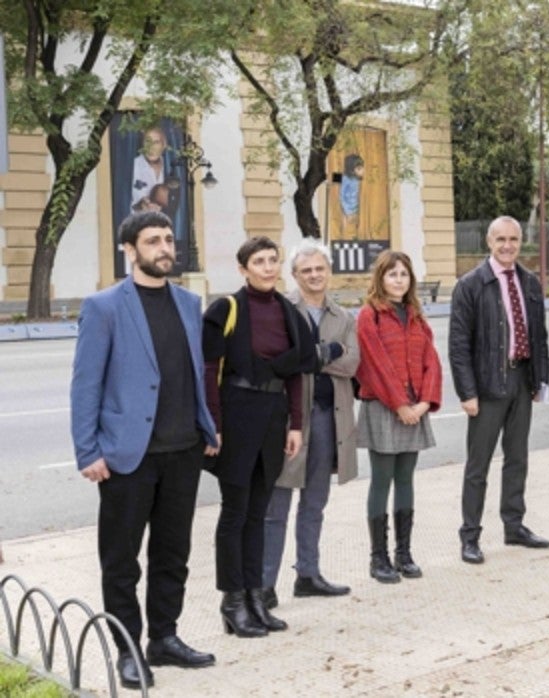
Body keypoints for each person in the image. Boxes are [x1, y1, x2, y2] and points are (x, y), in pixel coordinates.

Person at [70, 211, 219, 689]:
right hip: (126, 457)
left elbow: (194, 372)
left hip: (183, 451)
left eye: (169, 239)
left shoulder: (189, 302)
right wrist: (87, 450)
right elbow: (85, 385)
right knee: (121, 560)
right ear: (130, 250)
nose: (164, 248)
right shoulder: (105, 306)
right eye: (153, 240)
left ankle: (165, 637)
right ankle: (128, 649)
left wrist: (206, 428)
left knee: (173, 554)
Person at [203, 236, 315, 637]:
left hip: (273, 418)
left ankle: (254, 597)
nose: (268, 267)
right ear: (243, 268)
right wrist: (212, 424)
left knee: (260, 512)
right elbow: (209, 371)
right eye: (259, 261)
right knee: (235, 513)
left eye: (273, 260)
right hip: (235, 415)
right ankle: (232, 601)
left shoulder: (288, 312)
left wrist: (297, 425)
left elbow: (297, 372)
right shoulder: (226, 309)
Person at [259, 240, 358, 608]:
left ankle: (308, 574)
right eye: (306, 270)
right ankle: (265, 584)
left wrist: (312, 358)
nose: (314, 275)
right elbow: (283, 362)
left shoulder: (343, 316)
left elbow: (351, 364)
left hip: (329, 419)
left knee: (315, 501)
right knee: (277, 505)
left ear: (328, 271)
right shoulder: (281, 311)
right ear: (295, 275)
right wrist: (323, 354)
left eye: (320, 269)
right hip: (291, 422)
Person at [449, 215, 549, 564]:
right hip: (487, 386)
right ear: (489, 242)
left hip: (522, 381)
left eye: (513, 239)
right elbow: (459, 345)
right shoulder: (470, 285)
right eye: (500, 240)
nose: (507, 246)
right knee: (478, 465)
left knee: (518, 458)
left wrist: (541, 380)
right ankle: (470, 535)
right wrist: (467, 392)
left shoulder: (529, 282)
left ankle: (514, 525)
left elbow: (539, 335)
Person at [354, 250, 443, 582]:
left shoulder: (416, 315)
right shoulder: (369, 316)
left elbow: (431, 362)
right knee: (382, 479)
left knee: (406, 479)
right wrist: (400, 404)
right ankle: (378, 558)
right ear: (381, 278)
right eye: (392, 274)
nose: (398, 280)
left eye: (404, 274)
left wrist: (423, 404)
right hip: (384, 407)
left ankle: (403, 553)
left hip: (415, 408)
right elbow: (374, 365)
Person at [131, 126, 167, 212]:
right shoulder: (133, 166)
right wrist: (142, 203)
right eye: (148, 141)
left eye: (156, 142)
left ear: (163, 145)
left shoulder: (170, 166)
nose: (151, 147)